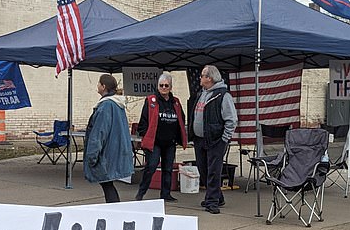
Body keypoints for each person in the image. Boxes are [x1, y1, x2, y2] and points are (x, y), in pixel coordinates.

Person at [190, 65, 237, 214]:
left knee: (213, 171)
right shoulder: (201, 94)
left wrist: (224, 138)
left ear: (209, 78)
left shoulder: (223, 96)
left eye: (202, 76)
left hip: (216, 140)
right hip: (199, 139)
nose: (200, 78)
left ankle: (212, 202)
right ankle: (218, 197)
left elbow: (232, 120)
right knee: (202, 169)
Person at [135, 72, 187, 202]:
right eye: (161, 85)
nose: (163, 88)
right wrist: (145, 136)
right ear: (157, 86)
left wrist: (179, 137)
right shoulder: (151, 101)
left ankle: (165, 194)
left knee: (168, 169)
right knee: (151, 167)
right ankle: (141, 193)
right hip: (155, 142)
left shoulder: (175, 102)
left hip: (170, 142)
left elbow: (182, 118)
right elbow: (144, 121)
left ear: (170, 87)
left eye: (166, 85)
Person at [83, 74, 133, 203]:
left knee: (107, 184)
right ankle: (114, 209)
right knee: (107, 184)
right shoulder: (117, 105)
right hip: (115, 150)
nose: (97, 86)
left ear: (103, 86)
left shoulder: (105, 106)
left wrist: (92, 155)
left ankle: (114, 211)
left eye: (98, 84)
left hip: (107, 153)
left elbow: (99, 132)